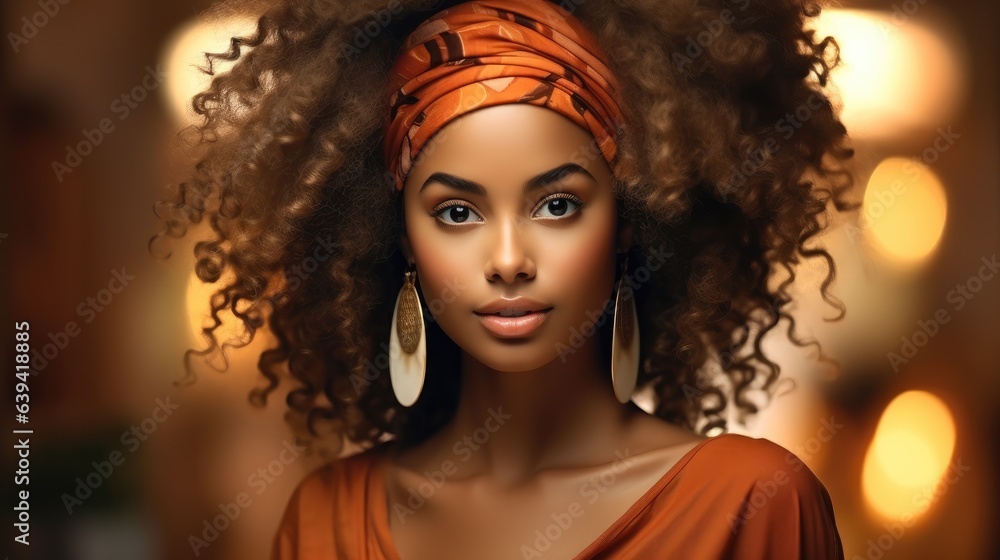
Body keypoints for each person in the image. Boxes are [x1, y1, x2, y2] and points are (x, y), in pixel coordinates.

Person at [153, 0, 853, 558]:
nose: (510, 258)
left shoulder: (752, 504)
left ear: (628, 226)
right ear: (401, 242)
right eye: (457, 212)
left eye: (557, 205)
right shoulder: (326, 525)